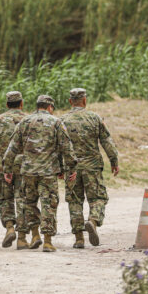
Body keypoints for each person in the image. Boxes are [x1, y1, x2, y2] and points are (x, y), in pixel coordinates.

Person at [3, 95, 78, 252]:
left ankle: (35, 235)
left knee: (29, 203)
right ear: (50, 107)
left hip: (28, 171)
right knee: (48, 204)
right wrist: (71, 167)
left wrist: (8, 169)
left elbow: (12, 148)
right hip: (48, 172)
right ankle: (48, 241)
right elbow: (66, 147)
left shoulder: (25, 122)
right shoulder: (56, 122)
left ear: (37, 106)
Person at [61, 88, 120, 248]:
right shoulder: (94, 118)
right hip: (92, 166)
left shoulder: (62, 121)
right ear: (85, 100)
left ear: (70, 101)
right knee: (98, 198)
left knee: (74, 201)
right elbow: (106, 141)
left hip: (71, 169)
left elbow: (58, 146)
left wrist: (60, 167)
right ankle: (93, 220)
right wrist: (114, 161)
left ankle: (79, 238)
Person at [0, 91, 28, 249]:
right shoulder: (27, 119)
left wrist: (2, 149)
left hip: (4, 166)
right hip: (24, 166)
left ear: (7, 104)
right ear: (21, 103)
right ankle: (22, 237)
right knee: (22, 199)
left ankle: (10, 227)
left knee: (5, 199)